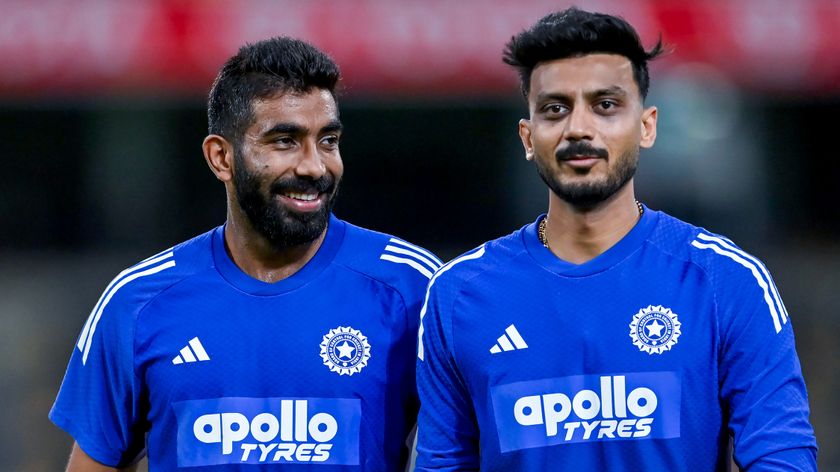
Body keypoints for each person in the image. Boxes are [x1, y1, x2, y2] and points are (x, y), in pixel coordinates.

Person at [415, 7, 817, 471]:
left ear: (646, 126)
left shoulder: (726, 281)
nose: (579, 129)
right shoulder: (458, 294)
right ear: (528, 136)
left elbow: (782, 457)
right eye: (554, 109)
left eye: (605, 105)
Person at [50, 37, 440, 471]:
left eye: (327, 140)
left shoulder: (414, 288)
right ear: (221, 157)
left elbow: (471, 449)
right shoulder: (138, 301)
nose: (314, 166)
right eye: (285, 141)